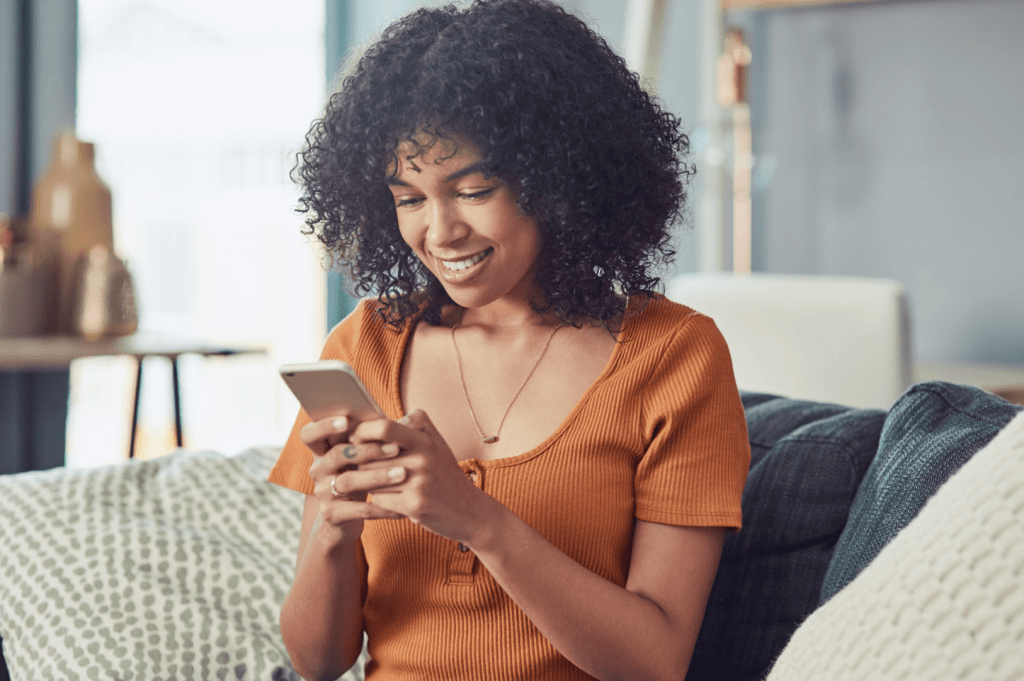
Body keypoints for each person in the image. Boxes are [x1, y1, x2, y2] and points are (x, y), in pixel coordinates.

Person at [268, 1, 751, 679]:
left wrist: (478, 520)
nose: (439, 232)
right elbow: (316, 662)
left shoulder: (673, 357)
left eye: (474, 188)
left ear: (557, 176)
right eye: (409, 198)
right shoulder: (365, 345)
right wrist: (333, 529)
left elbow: (656, 661)